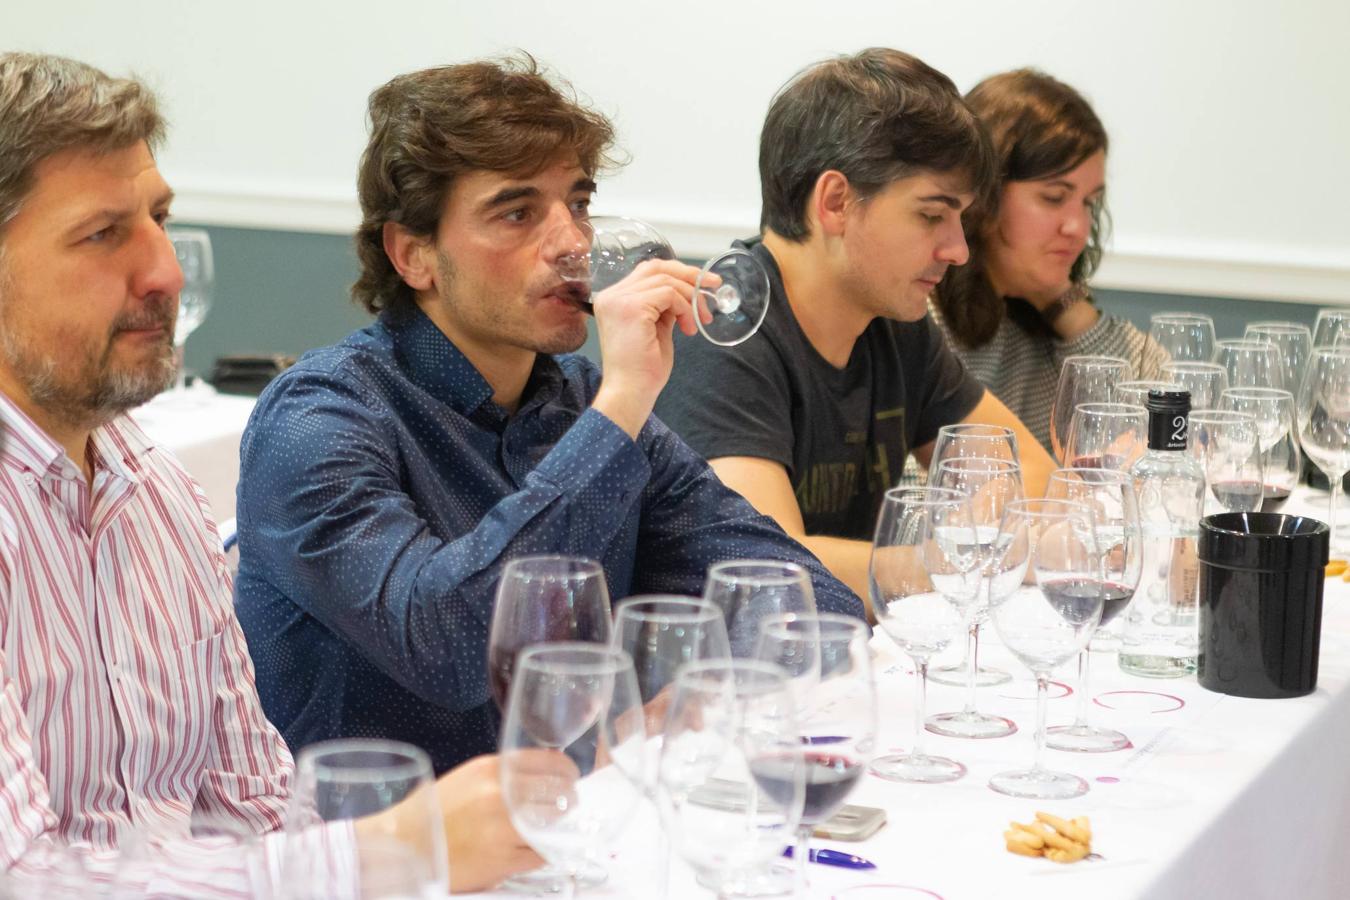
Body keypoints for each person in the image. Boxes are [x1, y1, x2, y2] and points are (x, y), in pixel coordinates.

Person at [0, 52, 540, 895]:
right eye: (103, 234)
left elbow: (253, 805)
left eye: (159, 218)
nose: (167, 272)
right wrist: (390, 851)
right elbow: (25, 879)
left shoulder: (156, 491)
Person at [233, 57, 863, 774]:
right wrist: (621, 407)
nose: (574, 243)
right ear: (413, 255)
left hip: (571, 821)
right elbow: (449, 649)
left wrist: (698, 692)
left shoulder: (581, 402)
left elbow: (815, 609)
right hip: (379, 835)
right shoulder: (318, 419)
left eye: (578, 204)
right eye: (517, 212)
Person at [654, 48, 1056, 606]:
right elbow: (769, 573)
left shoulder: (893, 321)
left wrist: (968, 541)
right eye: (931, 215)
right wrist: (958, 558)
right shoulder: (721, 329)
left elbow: (1032, 474)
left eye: (959, 218)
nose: (959, 250)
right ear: (836, 202)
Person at [928, 69, 1168, 453]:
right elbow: (923, 480)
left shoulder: (1036, 312)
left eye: (1089, 202)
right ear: (984, 194)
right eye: (1054, 197)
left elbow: (1166, 407)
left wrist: (1061, 298)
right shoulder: (920, 316)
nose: (1078, 227)